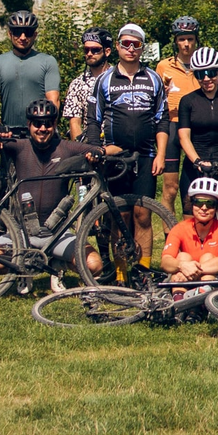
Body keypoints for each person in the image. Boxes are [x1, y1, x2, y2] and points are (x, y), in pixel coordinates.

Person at [0, 100, 104, 287]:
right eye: (37, 123)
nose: (42, 128)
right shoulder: (19, 146)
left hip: (57, 233)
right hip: (20, 231)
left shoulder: (66, 147)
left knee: (94, 265)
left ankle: (57, 264)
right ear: (29, 124)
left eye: (48, 123)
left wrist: (97, 153)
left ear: (55, 124)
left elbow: (97, 150)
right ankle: (22, 269)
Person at [94, 21, 169, 265]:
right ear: (117, 46)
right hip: (115, 157)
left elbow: (162, 120)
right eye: (125, 43)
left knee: (143, 215)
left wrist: (161, 155)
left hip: (146, 155)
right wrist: (97, 151)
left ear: (142, 48)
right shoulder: (105, 80)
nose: (130, 49)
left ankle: (143, 271)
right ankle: (121, 272)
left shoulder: (153, 78)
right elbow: (93, 119)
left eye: (136, 44)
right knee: (121, 216)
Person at [176, 46, 218, 200]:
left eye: (211, 73)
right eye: (200, 74)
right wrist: (197, 161)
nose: (206, 79)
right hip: (196, 163)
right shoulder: (188, 101)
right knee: (191, 210)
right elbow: (183, 137)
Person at [0, 9, 61, 132]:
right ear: (10, 34)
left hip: (41, 130)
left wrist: (49, 126)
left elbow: (53, 99)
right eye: (17, 32)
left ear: (35, 35)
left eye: (28, 33)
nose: (23, 37)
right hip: (9, 132)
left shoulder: (48, 61)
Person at [156, 16, 200, 213]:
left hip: (196, 125)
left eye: (190, 39)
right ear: (175, 41)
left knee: (195, 185)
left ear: (196, 40)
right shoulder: (164, 66)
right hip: (172, 124)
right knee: (170, 187)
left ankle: (192, 227)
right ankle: (169, 230)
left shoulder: (203, 65)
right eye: (182, 39)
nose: (186, 44)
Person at [160, 175, 218, 280]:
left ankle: (201, 289)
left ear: (217, 207)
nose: (204, 208)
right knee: (183, 257)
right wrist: (182, 266)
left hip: (212, 278)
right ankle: (180, 290)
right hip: (184, 276)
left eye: (210, 204)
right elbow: (165, 261)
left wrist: (194, 270)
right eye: (199, 203)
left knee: (207, 258)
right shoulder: (179, 228)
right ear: (191, 204)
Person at [64, 29, 113, 139]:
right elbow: (74, 122)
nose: (89, 54)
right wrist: (80, 146)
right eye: (86, 50)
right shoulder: (77, 84)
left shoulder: (119, 79)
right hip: (90, 143)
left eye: (95, 50)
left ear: (107, 51)